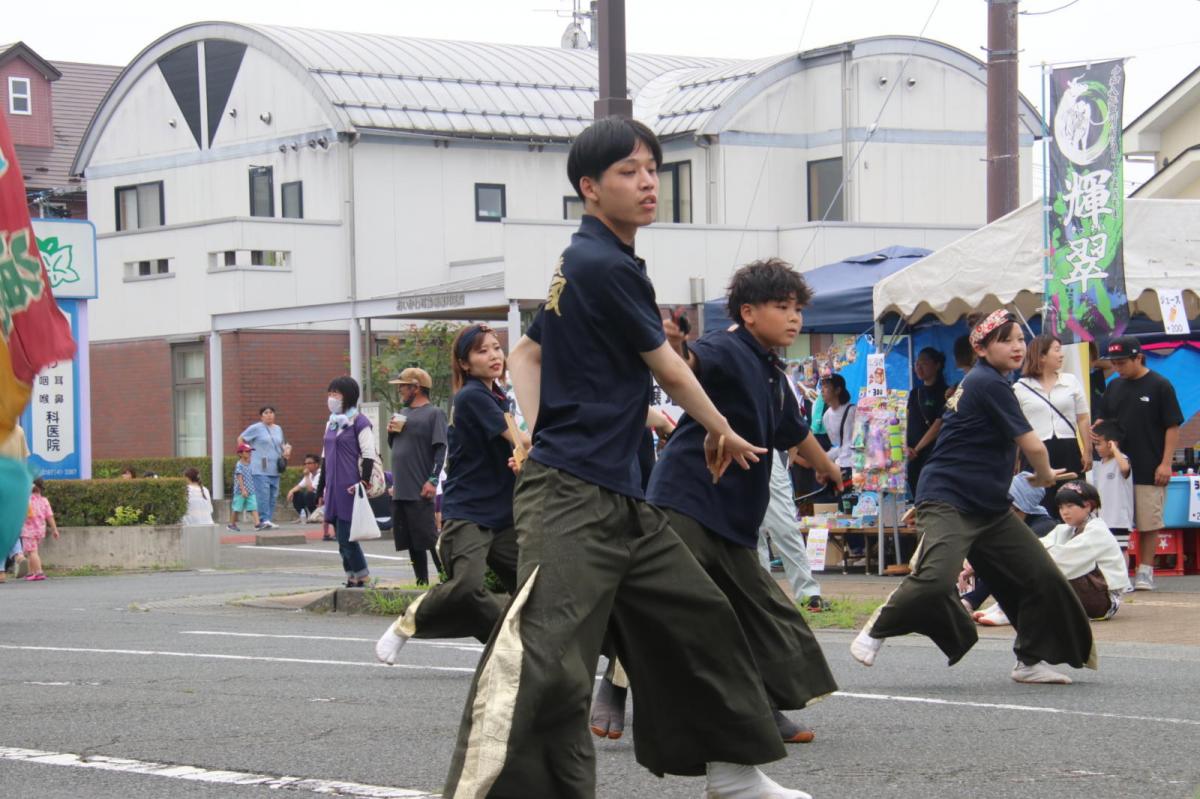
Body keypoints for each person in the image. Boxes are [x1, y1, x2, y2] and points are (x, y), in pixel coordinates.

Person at [441, 117, 808, 799]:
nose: (647, 182)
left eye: (651, 169)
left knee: (701, 616)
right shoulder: (600, 264)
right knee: (544, 660)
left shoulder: (587, 261)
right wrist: (720, 426)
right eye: (627, 171)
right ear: (589, 187)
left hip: (621, 496)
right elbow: (667, 368)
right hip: (573, 497)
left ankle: (733, 774)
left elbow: (526, 353)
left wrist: (537, 426)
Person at [640, 257, 842, 745]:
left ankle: (760, 705)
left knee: (767, 613)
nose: (795, 318)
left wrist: (827, 466)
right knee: (682, 611)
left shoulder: (773, 371)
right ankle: (618, 690)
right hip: (687, 503)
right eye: (781, 306)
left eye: (797, 308)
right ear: (748, 312)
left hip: (732, 519)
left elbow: (793, 431)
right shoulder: (726, 348)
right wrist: (674, 347)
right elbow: (690, 365)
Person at [850, 309, 1095, 686]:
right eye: (1005, 340)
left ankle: (1029, 660)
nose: (1017, 347)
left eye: (1019, 339)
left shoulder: (986, 381)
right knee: (935, 578)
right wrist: (1045, 477)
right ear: (980, 348)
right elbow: (1033, 446)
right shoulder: (988, 383)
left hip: (989, 507)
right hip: (949, 499)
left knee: (1043, 577)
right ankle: (878, 627)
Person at [375, 325, 526, 663]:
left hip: (504, 514)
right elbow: (519, 441)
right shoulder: (472, 395)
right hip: (469, 511)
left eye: (497, 348)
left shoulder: (497, 396)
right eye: (482, 351)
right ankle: (406, 623)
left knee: (534, 589)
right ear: (465, 364)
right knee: (466, 586)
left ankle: (511, 650)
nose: (494, 355)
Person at [1094, 336, 1183, 591]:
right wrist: (1098, 429)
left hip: (1149, 464)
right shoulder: (1114, 387)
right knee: (1115, 521)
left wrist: (1166, 463)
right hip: (1116, 468)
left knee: (1148, 522)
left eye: (1122, 363)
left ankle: (1145, 570)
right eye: (1115, 363)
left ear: (1138, 358)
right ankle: (1119, 572)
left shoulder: (1160, 385)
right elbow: (1104, 419)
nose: (1118, 368)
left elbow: (1172, 426)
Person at [960, 471, 1064, 623]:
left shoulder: (1044, 524)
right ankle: (980, 602)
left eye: (1011, 506)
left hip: (1037, 582)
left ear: (1024, 505)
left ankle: (998, 606)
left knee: (1004, 562)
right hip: (1021, 578)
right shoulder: (1011, 521)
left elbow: (1011, 555)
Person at [1014, 334, 1091, 518]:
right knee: (1038, 504)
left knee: (1073, 499)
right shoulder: (1020, 387)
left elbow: (1082, 417)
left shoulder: (1070, 381)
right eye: (1056, 350)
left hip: (1069, 448)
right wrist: (1014, 460)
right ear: (1041, 356)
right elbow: (1016, 427)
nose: (1061, 355)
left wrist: (1087, 450)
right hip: (1035, 451)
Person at [386, 367, 448, 587]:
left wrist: (433, 480)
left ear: (416, 387)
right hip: (401, 486)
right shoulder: (402, 414)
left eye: (403, 386)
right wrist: (390, 433)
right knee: (410, 538)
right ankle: (420, 581)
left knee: (428, 537)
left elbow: (441, 448)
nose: (400, 390)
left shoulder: (434, 413)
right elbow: (395, 446)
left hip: (420, 486)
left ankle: (446, 578)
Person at [316, 376, 376, 589]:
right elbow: (324, 457)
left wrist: (363, 482)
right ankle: (352, 576)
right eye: (330, 393)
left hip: (350, 486)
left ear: (348, 396)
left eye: (336, 394)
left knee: (346, 536)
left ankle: (364, 577)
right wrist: (320, 487)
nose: (331, 398)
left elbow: (369, 454)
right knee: (341, 538)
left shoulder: (360, 422)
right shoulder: (331, 422)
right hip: (333, 486)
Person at [1039, 481, 1130, 619]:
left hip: (1102, 599)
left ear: (1088, 506)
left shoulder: (1097, 531)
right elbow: (1036, 546)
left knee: (1052, 568)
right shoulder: (1063, 530)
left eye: (1070, 506)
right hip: (1089, 593)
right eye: (1061, 507)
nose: (1065, 512)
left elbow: (1063, 558)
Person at [238, 405, 292, 530]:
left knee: (273, 495)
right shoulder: (256, 428)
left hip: (275, 467)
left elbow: (281, 444)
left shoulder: (278, 428)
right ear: (261, 416)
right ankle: (263, 519)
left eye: (271, 412)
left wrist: (286, 450)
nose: (269, 415)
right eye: (266, 413)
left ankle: (268, 519)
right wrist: (245, 455)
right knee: (263, 494)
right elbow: (241, 438)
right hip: (259, 466)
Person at [905, 347, 947, 496]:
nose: (919, 367)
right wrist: (906, 447)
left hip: (933, 455)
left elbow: (938, 425)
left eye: (924, 363)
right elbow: (906, 420)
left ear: (937, 365)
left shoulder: (945, 393)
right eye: (917, 363)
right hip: (912, 457)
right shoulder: (914, 392)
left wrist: (917, 449)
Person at [1089, 421, 1133, 543]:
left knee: (1121, 547)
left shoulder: (1122, 459)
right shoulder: (1101, 464)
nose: (1096, 448)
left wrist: (1114, 449)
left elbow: (1125, 469)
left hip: (1119, 518)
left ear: (1111, 443)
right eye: (1095, 444)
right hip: (1104, 518)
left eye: (1099, 444)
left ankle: (1123, 564)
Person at [20, 478, 59, 581]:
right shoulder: (44, 500)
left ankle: (39, 572)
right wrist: (54, 529)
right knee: (32, 551)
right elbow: (50, 516)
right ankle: (31, 572)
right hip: (40, 530)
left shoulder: (25, 500)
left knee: (32, 552)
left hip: (28, 531)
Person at [228, 443, 259, 532]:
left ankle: (257, 524)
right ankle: (232, 524)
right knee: (237, 508)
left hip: (251, 490)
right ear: (240, 454)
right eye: (247, 451)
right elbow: (239, 477)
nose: (249, 453)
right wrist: (243, 489)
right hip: (240, 491)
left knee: (254, 506)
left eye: (250, 451)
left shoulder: (249, 464)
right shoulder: (239, 465)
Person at [286, 454, 322, 522]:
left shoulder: (320, 474)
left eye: (309, 463)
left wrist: (307, 476)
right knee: (296, 493)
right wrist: (291, 491)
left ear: (316, 464)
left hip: (320, 500)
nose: (306, 465)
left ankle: (314, 516)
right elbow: (299, 486)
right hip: (312, 498)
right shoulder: (310, 474)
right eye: (305, 463)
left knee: (309, 494)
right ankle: (303, 516)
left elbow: (310, 489)